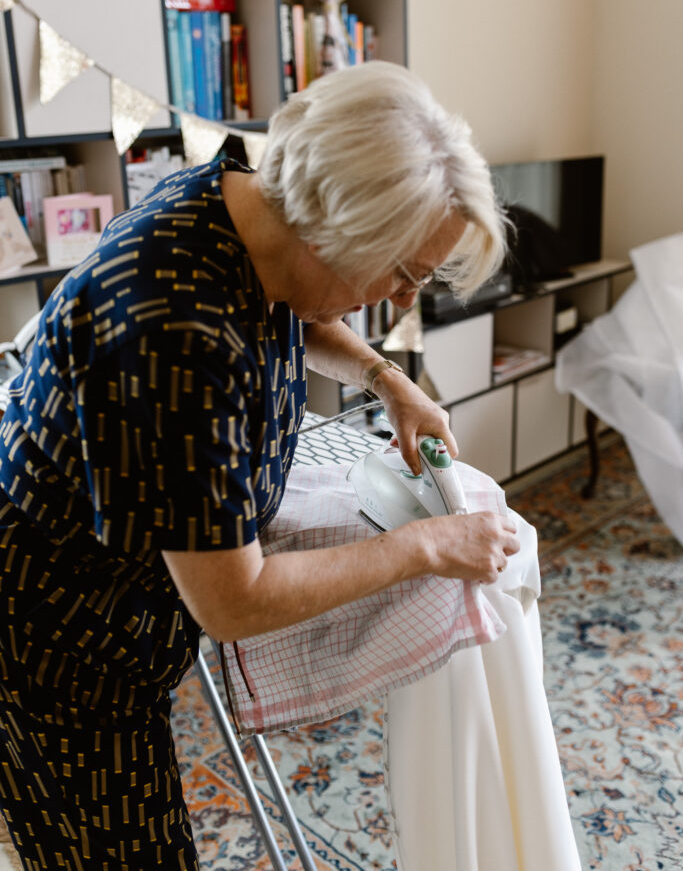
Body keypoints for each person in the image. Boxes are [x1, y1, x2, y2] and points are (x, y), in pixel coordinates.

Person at [0, 61, 519, 870]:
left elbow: (294, 298)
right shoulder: (172, 333)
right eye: (402, 274)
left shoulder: (246, 205)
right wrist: (428, 545)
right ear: (333, 230)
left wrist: (387, 380)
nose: (396, 304)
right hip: (60, 638)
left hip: (119, 601)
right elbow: (232, 603)